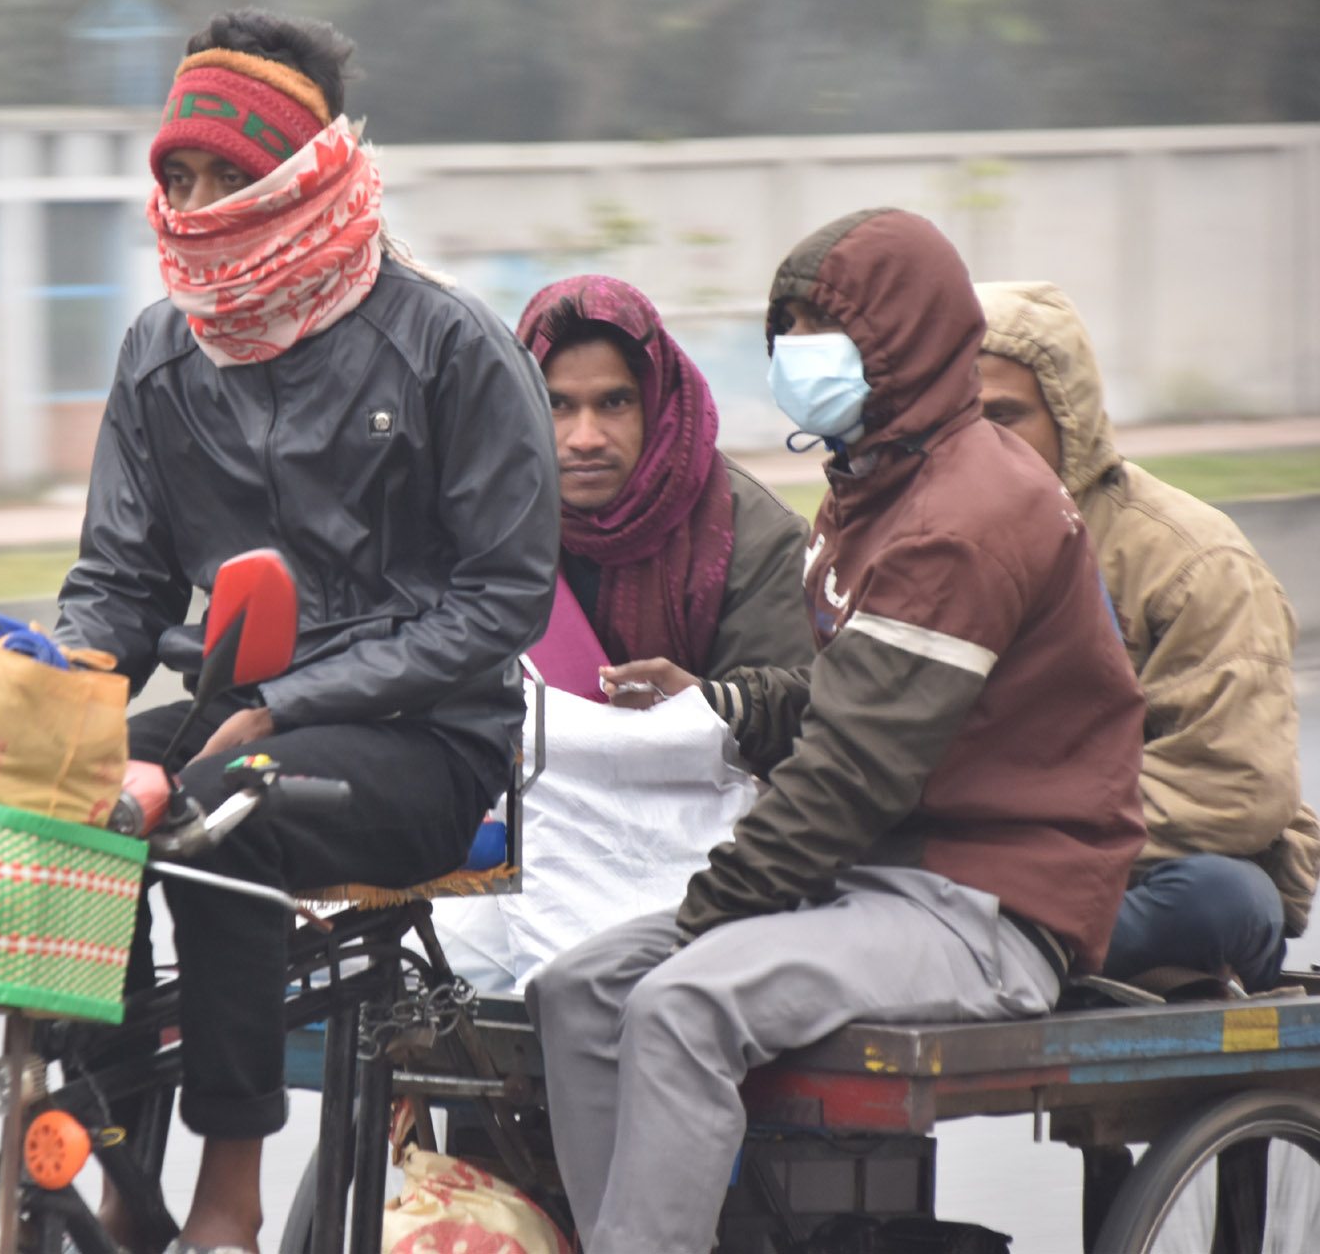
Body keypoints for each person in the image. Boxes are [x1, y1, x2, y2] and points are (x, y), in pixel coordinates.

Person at [525, 208, 1146, 1254]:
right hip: (874, 876)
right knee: (578, 988)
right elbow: (835, 693)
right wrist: (721, 705)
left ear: (905, 340)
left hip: (984, 900)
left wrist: (711, 907)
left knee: (681, 1002)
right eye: (792, 332)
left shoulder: (966, 512)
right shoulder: (874, 487)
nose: (801, 356)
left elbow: (852, 770)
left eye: (832, 332)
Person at [53, 8, 558, 1254]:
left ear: (293, 180)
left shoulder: (447, 346)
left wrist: (288, 703)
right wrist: (44, 701)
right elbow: (118, 585)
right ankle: (117, 1166)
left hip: (426, 740)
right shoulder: (159, 356)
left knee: (224, 807)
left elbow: (501, 601)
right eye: (176, 175)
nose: (189, 204)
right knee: (68, 804)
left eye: (219, 176)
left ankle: (226, 1196)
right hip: (233, 706)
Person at [975, 280, 1318, 993]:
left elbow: (1233, 783)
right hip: (977, 862)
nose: (984, 446)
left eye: (1006, 416)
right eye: (961, 421)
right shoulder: (925, 547)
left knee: (1221, 899)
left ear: (1070, 417)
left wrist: (1021, 835)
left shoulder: (1192, 558)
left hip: (1139, 867)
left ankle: (1002, 955)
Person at [513, 275, 815, 699]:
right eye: (557, 404)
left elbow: (791, 710)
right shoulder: (492, 522)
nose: (586, 439)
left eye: (614, 403)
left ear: (661, 403)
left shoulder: (758, 537)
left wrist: (701, 700)